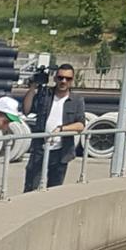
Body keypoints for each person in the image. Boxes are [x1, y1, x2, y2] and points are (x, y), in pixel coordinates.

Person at [21, 63, 87, 191]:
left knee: (54, 189)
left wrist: (61, 129)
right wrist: (32, 88)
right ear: (55, 78)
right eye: (60, 77)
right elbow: (26, 110)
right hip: (40, 148)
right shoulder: (45, 95)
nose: (63, 81)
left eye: (68, 79)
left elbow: (80, 125)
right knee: (31, 187)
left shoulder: (77, 100)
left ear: (72, 81)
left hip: (61, 151)